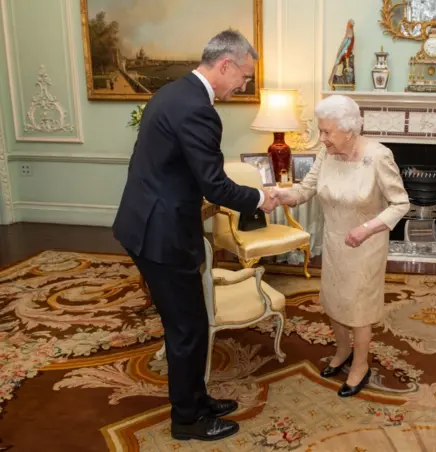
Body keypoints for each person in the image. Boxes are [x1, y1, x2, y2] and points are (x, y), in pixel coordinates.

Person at [112, 30, 277, 442]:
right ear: (225, 65)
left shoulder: (172, 92)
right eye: (243, 76)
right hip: (161, 234)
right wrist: (260, 198)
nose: (242, 84)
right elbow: (215, 186)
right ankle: (188, 420)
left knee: (190, 323)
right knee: (186, 329)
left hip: (146, 221)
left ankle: (198, 399)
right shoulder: (198, 109)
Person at [272, 94, 410, 397]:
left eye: (327, 132)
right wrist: (281, 196)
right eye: (320, 130)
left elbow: (400, 203)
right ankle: (343, 350)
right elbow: (306, 189)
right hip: (334, 241)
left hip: (367, 243)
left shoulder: (378, 156)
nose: (321, 138)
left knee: (359, 307)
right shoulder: (326, 154)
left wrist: (367, 228)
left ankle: (361, 363)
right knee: (334, 300)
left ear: (349, 130)